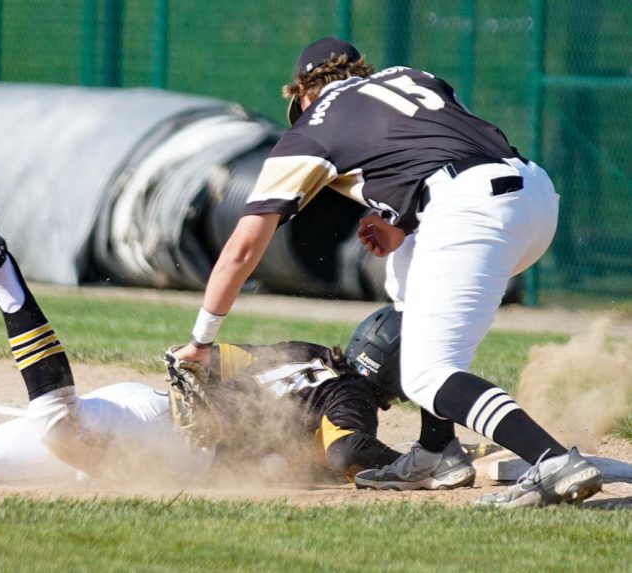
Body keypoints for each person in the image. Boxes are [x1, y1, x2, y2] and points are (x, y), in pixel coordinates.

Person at [171, 37, 602, 507]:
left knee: (427, 374)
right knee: (403, 276)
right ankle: (437, 450)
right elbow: (443, 148)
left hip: (470, 210)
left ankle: (553, 459)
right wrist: (403, 219)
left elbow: (244, 245)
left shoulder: (313, 125)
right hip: (533, 194)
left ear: (303, 94)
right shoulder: (410, 77)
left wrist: (202, 339)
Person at [0, 213, 406, 485]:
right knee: (59, 423)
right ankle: (3, 271)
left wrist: (192, 367)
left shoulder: (304, 349)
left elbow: (205, 358)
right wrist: (408, 464)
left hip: (147, 419)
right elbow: (347, 450)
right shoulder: (347, 395)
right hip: (169, 440)